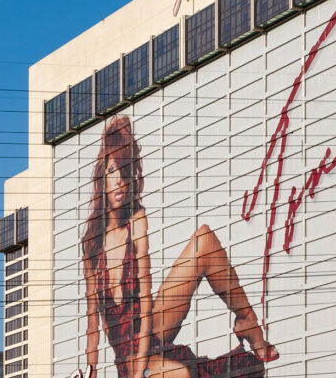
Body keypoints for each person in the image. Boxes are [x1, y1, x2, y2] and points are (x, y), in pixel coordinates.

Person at [82, 115, 278, 378]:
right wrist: (92, 369)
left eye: (125, 172)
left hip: (149, 333)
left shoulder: (136, 222)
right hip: (127, 360)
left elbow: (145, 301)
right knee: (181, 373)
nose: (119, 180)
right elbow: (92, 318)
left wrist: (142, 369)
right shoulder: (91, 244)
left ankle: (247, 321)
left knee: (204, 240)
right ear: (101, 178)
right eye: (111, 171)